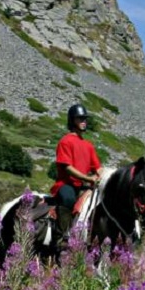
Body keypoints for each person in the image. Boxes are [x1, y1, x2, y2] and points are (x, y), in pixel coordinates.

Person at [50, 104, 102, 245]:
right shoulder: (65, 141)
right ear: (72, 120)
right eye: (80, 118)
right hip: (66, 184)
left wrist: (101, 176)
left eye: (85, 118)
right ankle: (61, 238)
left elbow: (98, 167)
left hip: (82, 186)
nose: (84, 121)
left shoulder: (89, 145)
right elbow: (67, 167)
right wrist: (87, 178)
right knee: (68, 198)